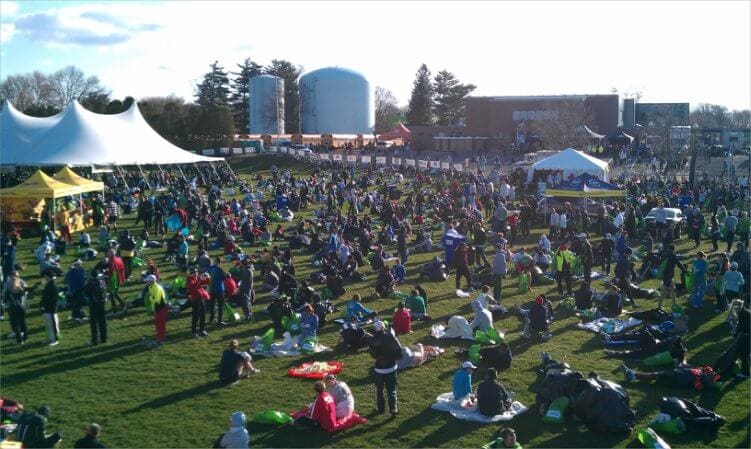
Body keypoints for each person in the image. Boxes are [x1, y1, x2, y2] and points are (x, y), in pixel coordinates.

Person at [368, 320, 402, 416]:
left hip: (379, 368)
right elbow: (399, 349)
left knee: (379, 390)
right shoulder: (390, 336)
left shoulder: (372, 340)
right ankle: (393, 408)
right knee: (391, 389)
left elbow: (373, 355)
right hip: (391, 367)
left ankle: (380, 408)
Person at [621, 364, 721, 390]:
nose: (711, 372)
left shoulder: (705, 380)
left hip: (677, 379)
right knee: (656, 376)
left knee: (656, 375)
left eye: (713, 373)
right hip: (677, 375)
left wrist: (709, 379)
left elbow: (700, 386)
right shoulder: (702, 373)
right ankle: (633, 376)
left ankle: (632, 374)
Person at [657, 244, 686, 310]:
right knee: (664, 292)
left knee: (673, 289)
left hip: (665, 274)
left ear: (668, 249)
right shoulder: (673, 256)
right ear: (673, 249)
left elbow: (661, 264)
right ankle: (659, 306)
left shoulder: (664, 255)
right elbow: (679, 264)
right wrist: (685, 271)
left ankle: (673, 303)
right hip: (669, 275)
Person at [3, 271, 28, 344]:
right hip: (22, 307)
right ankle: (25, 338)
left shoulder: (8, 289)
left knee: (16, 325)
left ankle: (19, 340)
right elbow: (25, 294)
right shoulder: (20, 289)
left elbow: (5, 299)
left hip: (13, 308)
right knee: (23, 323)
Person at [85, 271, 108, 346]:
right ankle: (103, 338)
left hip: (93, 304)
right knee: (102, 321)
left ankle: (94, 340)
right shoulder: (101, 281)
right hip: (101, 303)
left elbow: (86, 293)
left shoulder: (90, 282)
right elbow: (105, 291)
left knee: (94, 323)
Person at [144, 274, 168, 347]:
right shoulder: (151, 287)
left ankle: (162, 339)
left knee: (161, 324)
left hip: (161, 308)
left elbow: (157, 300)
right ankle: (159, 337)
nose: (146, 282)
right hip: (157, 308)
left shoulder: (157, 288)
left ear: (152, 281)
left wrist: (151, 298)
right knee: (158, 324)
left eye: (148, 281)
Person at [186, 267, 210, 338]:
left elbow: (205, 282)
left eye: (196, 272)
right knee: (195, 316)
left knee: (203, 314)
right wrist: (199, 280)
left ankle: (202, 330)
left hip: (201, 298)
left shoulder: (197, 277)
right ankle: (193, 332)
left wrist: (207, 277)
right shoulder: (189, 280)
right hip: (195, 300)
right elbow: (192, 288)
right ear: (191, 274)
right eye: (194, 273)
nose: (196, 274)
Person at [41, 270, 60, 346]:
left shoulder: (53, 285)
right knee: (49, 325)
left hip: (51, 309)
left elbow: (53, 299)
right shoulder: (49, 284)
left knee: (53, 325)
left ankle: (55, 340)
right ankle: (50, 338)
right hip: (47, 308)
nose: (44, 277)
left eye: (45, 275)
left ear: (48, 276)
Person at [208, 258, 227, 325]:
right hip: (219, 289)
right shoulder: (220, 269)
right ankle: (220, 320)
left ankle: (211, 319)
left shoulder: (210, 268)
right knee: (220, 306)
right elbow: (224, 277)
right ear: (219, 262)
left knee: (212, 305)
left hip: (212, 289)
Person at [735, 304, 750, 379]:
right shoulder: (745, 312)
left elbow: (742, 326)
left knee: (744, 355)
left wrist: (737, 334)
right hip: (747, 335)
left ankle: (746, 373)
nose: (735, 310)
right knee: (745, 354)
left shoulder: (743, 314)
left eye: (736, 308)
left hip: (747, 336)